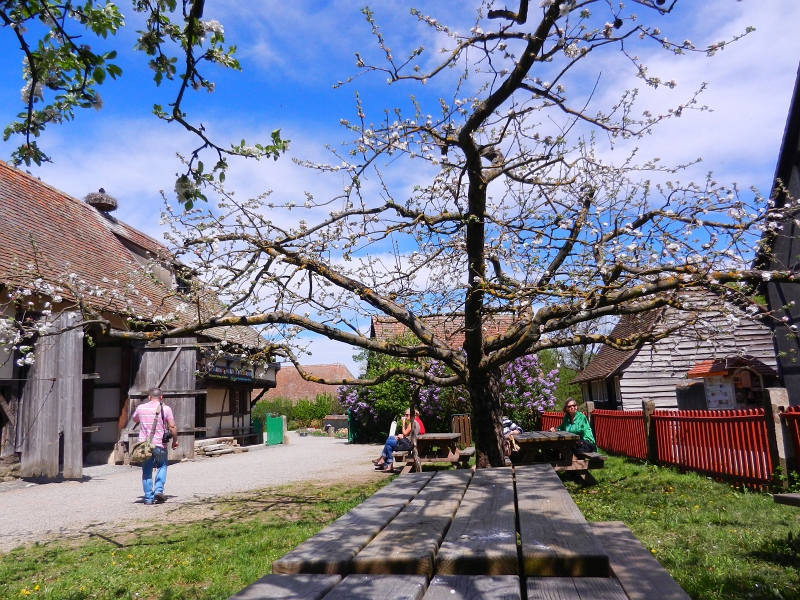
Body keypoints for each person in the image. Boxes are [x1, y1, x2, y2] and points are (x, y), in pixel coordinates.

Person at [132, 387, 179, 505]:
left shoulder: (141, 408)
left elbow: (135, 419)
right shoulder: (166, 409)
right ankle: (158, 490)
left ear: (149, 397)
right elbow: (172, 426)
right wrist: (175, 440)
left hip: (145, 445)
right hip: (159, 444)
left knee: (147, 470)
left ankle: (148, 497)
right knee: (162, 465)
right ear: (161, 397)